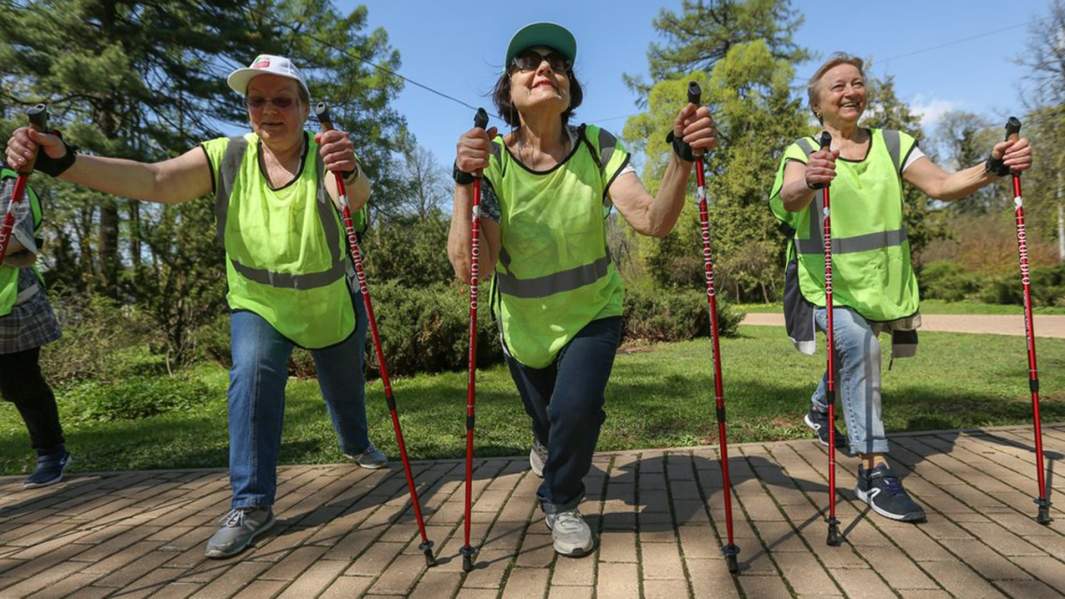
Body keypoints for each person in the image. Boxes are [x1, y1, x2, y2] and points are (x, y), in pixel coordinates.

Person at [5, 54, 388, 558]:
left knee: (345, 393)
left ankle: (356, 443)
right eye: (256, 100)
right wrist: (64, 161)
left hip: (329, 302)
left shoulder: (328, 154)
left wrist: (352, 168)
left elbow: (358, 198)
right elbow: (155, 180)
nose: (268, 110)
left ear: (303, 107)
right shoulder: (227, 155)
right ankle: (251, 504)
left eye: (282, 100)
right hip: (258, 302)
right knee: (249, 381)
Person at [448, 22, 716, 556]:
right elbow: (471, 269)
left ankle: (561, 501)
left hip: (595, 310)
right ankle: (548, 445)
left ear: (570, 87)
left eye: (559, 63)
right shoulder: (493, 162)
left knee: (578, 408)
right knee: (550, 421)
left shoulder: (597, 147)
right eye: (529, 61)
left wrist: (682, 159)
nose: (546, 67)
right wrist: (463, 183)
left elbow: (652, 219)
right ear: (509, 88)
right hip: (521, 324)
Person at [769, 53, 1032, 522]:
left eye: (857, 83)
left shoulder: (894, 145)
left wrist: (992, 166)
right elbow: (788, 194)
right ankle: (874, 470)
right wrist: (810, 179)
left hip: (881, 282)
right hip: (821, 285)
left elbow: (943, 185)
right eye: (838, 86)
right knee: (859, 344)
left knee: (858, 352)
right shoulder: (804, 149)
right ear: (817, 105)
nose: (851, 91)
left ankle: (819, 407)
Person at [0, 160, 69, 488]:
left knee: (21, 385)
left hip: (15, 306)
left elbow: (18, 241)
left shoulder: (10, 185)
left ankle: (51, 452)